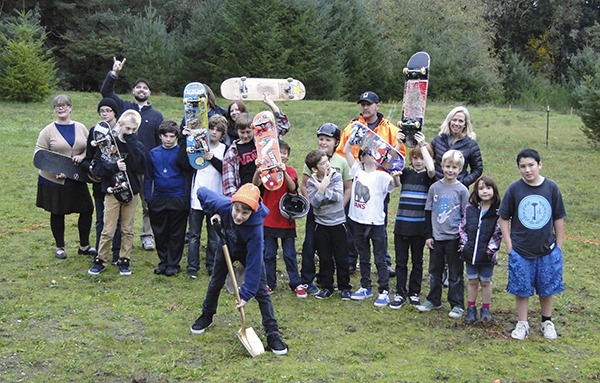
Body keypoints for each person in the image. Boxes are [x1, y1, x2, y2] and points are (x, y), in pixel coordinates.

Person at [189, 184, 288, 355]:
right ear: (233, 204)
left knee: (262, 292)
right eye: (237, 210)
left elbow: (254, 266)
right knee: (215, 283)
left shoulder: (256, 231)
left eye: (245, 213)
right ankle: (206, 315)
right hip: (226, 246)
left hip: (248, 252)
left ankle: (272, 334)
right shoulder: (224, 205)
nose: (239, 216)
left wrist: (245, 295)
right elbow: (201, 192)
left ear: (253, 212)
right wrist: (213, 213)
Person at [498, 149, 566, 340]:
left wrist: (558, 246)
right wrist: (509, 246)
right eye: (523, 166)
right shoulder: (514, 189)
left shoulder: (551, 188)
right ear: (519, 168)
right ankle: (522, 323)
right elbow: (503, 218)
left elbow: (559, 217)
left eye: (531, 165)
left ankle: (546, 321)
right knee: (522, 288)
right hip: (520, 250)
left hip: (547, 250)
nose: (527, 170)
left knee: (547, 287)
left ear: (539, 165)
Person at [337, 91, 405, 275]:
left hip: (379, 184)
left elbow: (398, 157)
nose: (365, 107)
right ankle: (352, 260)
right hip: (357, 180)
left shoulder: (390, 129)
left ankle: (383, 262)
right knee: (354, 222)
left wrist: (385, 176)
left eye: (369, 104)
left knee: (379, 223)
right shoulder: (353, 127)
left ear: (378, 105)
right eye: (363, 104)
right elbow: (342, 153)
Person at [100, 56, 163, 251]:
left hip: (145, 166)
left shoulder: (156, 115)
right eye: (138, 87)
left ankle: (147, 235)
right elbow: (106, 93)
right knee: (121, 200)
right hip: (123, 165)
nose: (141, 90)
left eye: (145, 88)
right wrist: (114, 73)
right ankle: (117, 237)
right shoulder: (124, 107)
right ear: (133, 91)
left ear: (149, 92)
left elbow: (160, 141)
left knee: (147, 203)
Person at [35, 94, 96, 259]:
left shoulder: (80, 127)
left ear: (70, 108)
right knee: (57, 212)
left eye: (64, 105)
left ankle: (84, 246)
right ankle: (60, 247)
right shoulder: (47, 131)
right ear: (55, 109)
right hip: (54, 179)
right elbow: (39, 155)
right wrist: (55, 170)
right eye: (57, 106)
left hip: (76, 177)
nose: (61, 108)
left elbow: (90, 148)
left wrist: (83, 155)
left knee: (87, 209)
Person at [88, 110, 146, 276]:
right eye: (127, 128)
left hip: (131, 191)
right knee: (108, 228)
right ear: (119, 125)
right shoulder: (107, 144)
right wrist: (114, 167)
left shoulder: (136, 144)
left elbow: (141, 166)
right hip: (112, 191)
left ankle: (124, 259)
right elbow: (97, 168)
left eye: (134, 130)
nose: (130, 132)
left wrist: (132, 143)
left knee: (127, 229)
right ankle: (101, 259)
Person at [344, 140, 400, 307]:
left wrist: (396, 174)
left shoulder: (382, 175)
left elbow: (395, 185)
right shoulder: (357, 170)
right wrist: (353, 138)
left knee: (380, 258)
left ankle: (384, 290)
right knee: (364, 257)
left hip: (376, 223)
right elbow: (346, 150)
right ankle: (365, 287)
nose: (371, 156)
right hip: (357, 221)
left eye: (374, 154)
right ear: (361, 158)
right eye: (368, 153)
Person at [299, 123, 352, 295]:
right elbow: (307, 187)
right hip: (317, 216)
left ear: (336, 142)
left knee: (341, 253)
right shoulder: (312, 161)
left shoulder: (340, 163)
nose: (323, 142)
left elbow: (344, 189)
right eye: (321, 139)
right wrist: (314, 202)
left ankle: (344, 286)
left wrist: (339, 204)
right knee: (314, 248)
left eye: (327, 140)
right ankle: (317, 282)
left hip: (336, 217)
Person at [417, 150, 469, 318]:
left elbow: (466, 216)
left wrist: (463, 238)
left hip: (454, 238)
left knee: (455, 273)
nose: (450, 170)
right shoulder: (435, 188)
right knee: (435, 271)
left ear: (460, 169)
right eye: (447, 166)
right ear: (442, 166)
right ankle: (433, 299)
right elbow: (428, 211)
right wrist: (428, 236)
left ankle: (457, 304)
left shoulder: (462, 190)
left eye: (454, 167)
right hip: (437, 238)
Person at [252, 140, 304, 298]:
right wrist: (257, 168)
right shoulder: (266, 171)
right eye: (278, 152)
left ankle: (296, 283)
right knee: (268, 254)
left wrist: (284, 172)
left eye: (284, 153)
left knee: (289, 254)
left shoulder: (291, 171)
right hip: (268, 220)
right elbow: (255, 184)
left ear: (287, 157)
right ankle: (269, 283)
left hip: (286, 220)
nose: (281, 156)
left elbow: (292, 188)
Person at [391, 131, 435, 309]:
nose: (418, 161)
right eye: (415, 157)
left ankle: (414, 292)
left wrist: (423, 145)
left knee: (417, 261)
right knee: (401, 262)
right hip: (402, 226)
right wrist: (398, 143)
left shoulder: (429, 177)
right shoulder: (406, 173)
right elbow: (391, 164)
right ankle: (400, 293)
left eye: (421, 158)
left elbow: (431, 169)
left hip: (419, 228)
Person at [144, 120, 190, 276]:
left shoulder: (180, 153)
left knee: (176, 233)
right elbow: (148, 177)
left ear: (176, 137)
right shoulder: (153, 153)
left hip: (177, 197)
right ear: (160, 136)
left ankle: (173, 263)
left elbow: (186, 176)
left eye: (172, 136)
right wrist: (148, 198)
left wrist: (185, 197)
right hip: (158, 198)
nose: (169, 139)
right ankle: (163, 261)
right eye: (166, 136)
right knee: (160, 232)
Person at [222, 95, 290, 197]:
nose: (245, 135)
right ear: (237, 131)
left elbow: (284, 126)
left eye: (248, 132)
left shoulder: (263, 141)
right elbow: (229, 181)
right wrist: (235, 199)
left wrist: (271, 104)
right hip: (247, 192)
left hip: (267, 190)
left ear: (254, 130)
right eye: (242, 132)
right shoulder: (232, 152)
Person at [186, 115, 227, 278]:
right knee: (194, 234)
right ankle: (192, 267)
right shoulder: (198, 145)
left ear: (223, 134)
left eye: (218, 130)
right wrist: (187, 137)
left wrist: (212, 158)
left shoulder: (224, 149)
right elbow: (187, 162)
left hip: (215, 197)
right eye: (212, 129)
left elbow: (226, 170)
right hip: (197, 196)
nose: (214, 133)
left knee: (213, 235)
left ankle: (211, 265)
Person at [82, 98, 122, 265]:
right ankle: (100, 252)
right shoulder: (95, 131)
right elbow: (89, 158)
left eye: (108, 110)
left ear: (114, 112)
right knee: (101, 219)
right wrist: (90, 169)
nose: (105, 114)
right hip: (101, 183)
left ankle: (117, 253)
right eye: (102, 111)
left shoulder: (122, 130)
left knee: (119, 221)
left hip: (119, 181)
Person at [460, 176, 502, 324]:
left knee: (486, 282)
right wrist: (465, 245)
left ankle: (485, 308)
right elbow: (463, 228)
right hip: (470, 253)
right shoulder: (470, 208)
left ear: (494, 190)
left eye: (488, 188)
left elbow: (498, 233)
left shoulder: (498, 212)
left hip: (487, 256)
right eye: (481, 188)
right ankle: (471, 308)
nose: (485, 191)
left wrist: (489, 251)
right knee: (472, 280)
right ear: (476, 191)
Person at [430, 106, 483, 188]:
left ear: (465, 124)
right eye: (454, 120)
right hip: (437, 187)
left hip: (458, 190)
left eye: (460, 121)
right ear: (449, 121)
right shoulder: (438, 140)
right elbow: (429, 161)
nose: (456, 124)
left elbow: (478, 169)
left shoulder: (471, 144)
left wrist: (462, 183)